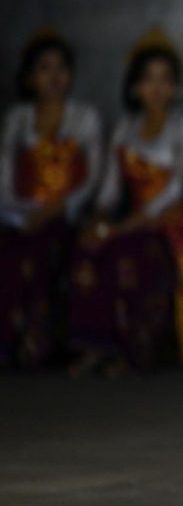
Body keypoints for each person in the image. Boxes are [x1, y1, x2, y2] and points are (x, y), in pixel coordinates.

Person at [69, 29, 183, 375]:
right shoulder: (125, 128)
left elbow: (176, 188)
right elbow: (110, 187)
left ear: (176, 87)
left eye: (165, 79)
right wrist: (101, 218)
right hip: (132, 220)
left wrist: (123, 226)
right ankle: (95, 347)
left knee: (134, 257)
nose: (157, 88)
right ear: (135, 86)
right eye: (148, 79)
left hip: (174, 222)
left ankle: (134, 351)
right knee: (90, 250)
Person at [0, 28, 103, 367]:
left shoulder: (84, 118)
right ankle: (12, 344)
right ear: (29, 78)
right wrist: (18, 213)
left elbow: (92, 178)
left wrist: (55, 209)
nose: (54, 76)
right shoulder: (17, 119)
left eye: (61, 67)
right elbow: (4, 177)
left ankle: (44, 345)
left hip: (69, 214)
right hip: (22, 215)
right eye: (44, 68)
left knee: (48, 249)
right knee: (13, 252)